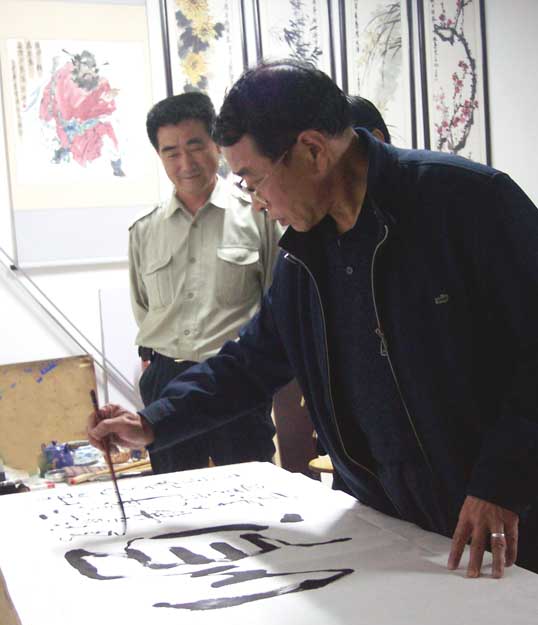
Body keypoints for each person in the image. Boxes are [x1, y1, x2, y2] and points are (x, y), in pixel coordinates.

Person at [89, 60, 538, 579]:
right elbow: (250, 362)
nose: (257, 203)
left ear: (313, 151)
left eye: (254, 179)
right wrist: (152, 422)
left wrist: (500, 485)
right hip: (387, 515)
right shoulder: (304, 253)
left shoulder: (465, 201)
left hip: (502, 513)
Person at [128, 92, 282, 472]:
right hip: (166, 379)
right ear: (159, 156)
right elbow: (144, 308)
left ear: (216, 144)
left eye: (195, 146)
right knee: (173, 495)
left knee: (251, 489)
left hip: (235, 376)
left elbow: (276, 301)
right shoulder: (144, 231)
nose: (186, 163)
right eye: (171, 152)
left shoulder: (259, 216)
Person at [40, 49, 124, 175]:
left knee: (109, 140)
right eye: (86, 66)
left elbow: (107, 110)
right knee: (50, 129)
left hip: (90, 128)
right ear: (77, 66)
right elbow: (55, 103)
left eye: (93, 68)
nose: (90, 71)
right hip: (65, 126)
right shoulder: (64, 79)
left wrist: (105, 100)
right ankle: (61, 150)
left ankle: (116, 166)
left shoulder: (101, 84)